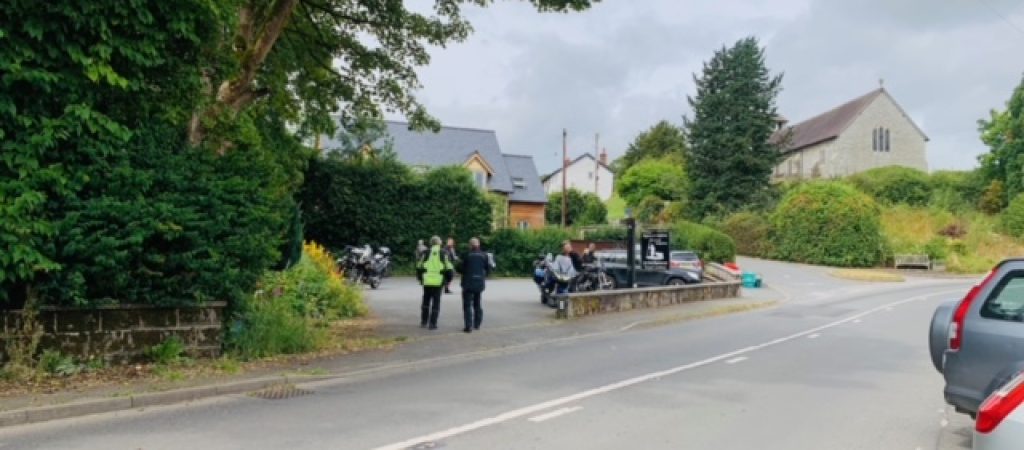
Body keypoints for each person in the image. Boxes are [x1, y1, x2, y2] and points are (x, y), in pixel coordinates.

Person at [417, 236, 453, 330]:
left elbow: (419, 266)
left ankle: (424, 321)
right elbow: (449, 267)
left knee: (426, 302)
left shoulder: (425, 253)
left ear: (431, 243)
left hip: (427, 281)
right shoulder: (443, 253)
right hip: (438, 281)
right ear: (439, 243)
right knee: (436, 303)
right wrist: (448, 279)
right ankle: (433, 324)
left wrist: (420, 278)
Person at [457, 237, 491, 333]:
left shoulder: (466, 255)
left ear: (470, 245)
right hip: (479, 282)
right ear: (478, 244)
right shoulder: (484, 255)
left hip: (468, 283)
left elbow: (460, 268)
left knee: (467, 305)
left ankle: (468, 326)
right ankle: (477, 324)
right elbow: (488, 269)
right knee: (477, 304)